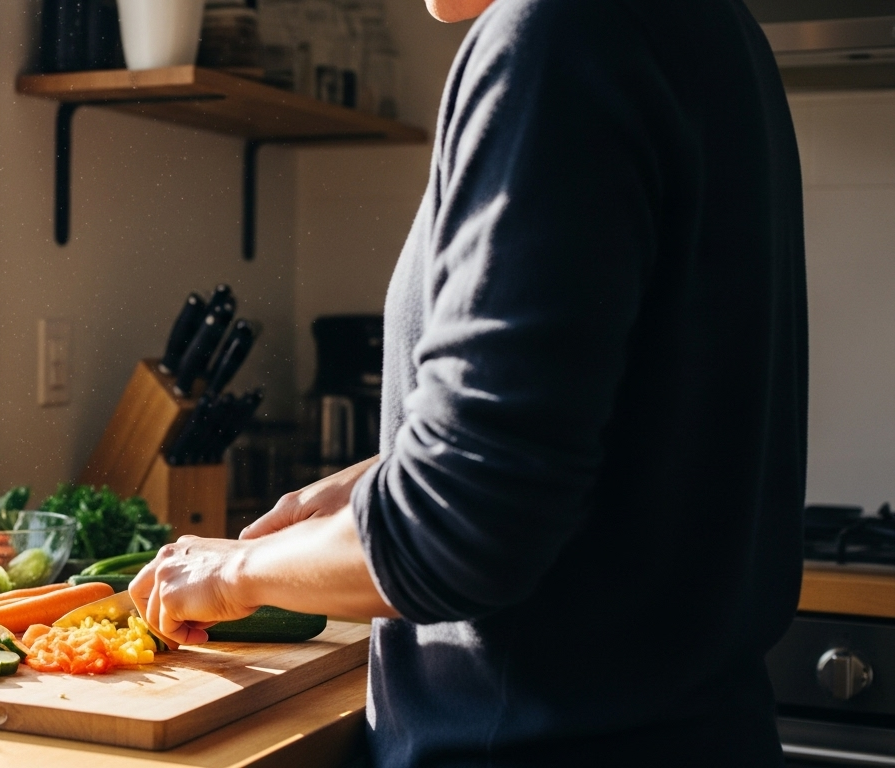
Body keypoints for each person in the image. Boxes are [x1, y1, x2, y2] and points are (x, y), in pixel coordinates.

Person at [128, 0, 807, 764]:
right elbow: (637, 424)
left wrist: (233, 574)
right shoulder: (712, 29)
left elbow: (457, 531)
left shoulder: (555, 35)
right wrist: (390, 474)